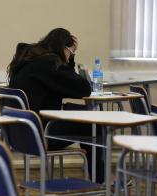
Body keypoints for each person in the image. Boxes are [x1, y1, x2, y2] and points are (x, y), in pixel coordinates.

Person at [7, 28, 104, 183]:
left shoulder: (29, 59)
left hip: (20, 134)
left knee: (86, 123)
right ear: (64, 47)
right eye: (70, 52)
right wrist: (71, 59)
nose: (68, 56)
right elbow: (83, 88)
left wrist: (69, 58)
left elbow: (68, 85)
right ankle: (100, 182)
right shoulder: (49, 62)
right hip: (41, 133)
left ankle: (98, 181)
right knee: (95, 125)